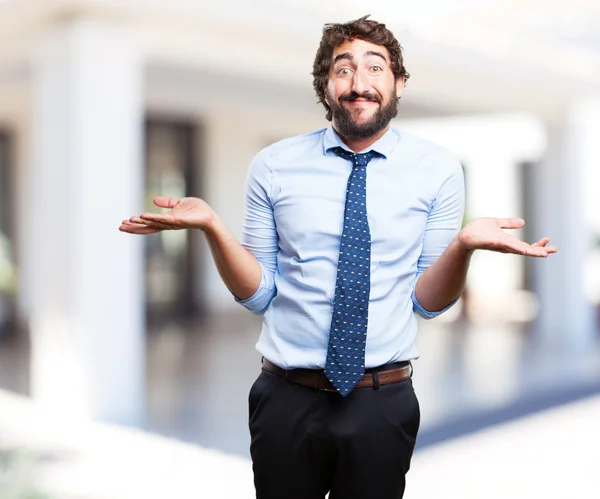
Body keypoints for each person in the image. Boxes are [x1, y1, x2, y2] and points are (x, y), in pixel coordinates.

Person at [120, 15, 556, 499]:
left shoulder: (438, 170)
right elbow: (259, 294)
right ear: (325, 86)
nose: (359, 83)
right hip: (285, 398)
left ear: (399, 84)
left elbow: (428, 302)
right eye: (343, 69)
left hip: (382, 400)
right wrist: (211, 227)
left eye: (375, 67)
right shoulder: (274, 165)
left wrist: (462, 246)